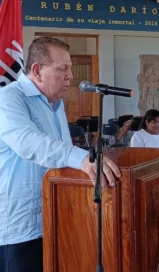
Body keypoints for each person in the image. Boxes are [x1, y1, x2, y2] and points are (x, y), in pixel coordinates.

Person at [0, 37, 121, 272]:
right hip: (20, 228)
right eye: (62, 69)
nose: (70, 76)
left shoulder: (56, 103)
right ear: (37, 70)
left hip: (56, 216)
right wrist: (82, 158)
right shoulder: (8, 99)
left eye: (70, 69)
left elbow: (59, 153)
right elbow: (28, 142)